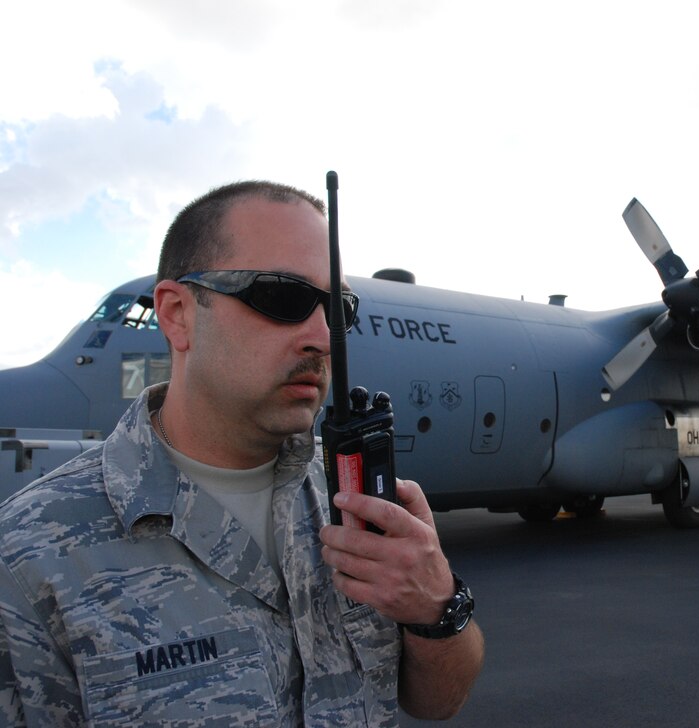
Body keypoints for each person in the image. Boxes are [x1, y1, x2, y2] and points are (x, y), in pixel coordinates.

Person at [0, 181, 484, 725]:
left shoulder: (349, 498)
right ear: (178, 314)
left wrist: (438, 606)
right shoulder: (29, 554)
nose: (322, 338)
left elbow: (441, 701)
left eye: (338, 308)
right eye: (281, 298)